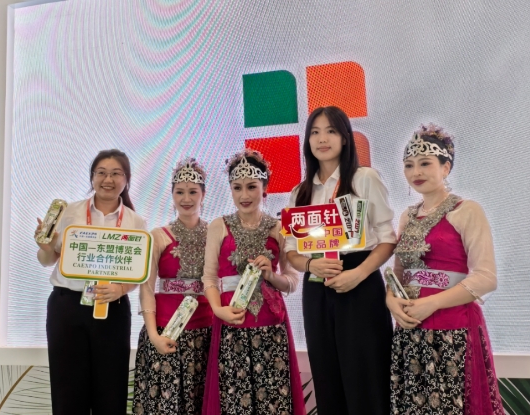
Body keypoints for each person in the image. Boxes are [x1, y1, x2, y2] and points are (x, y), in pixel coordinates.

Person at [285, 106, 397, 414]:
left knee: (366, 375)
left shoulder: (364, 178)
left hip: (360, 282)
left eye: (331, 131)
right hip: (317, 284)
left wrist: (358, 274)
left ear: (345, 138)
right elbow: (291, 251)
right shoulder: (300, 192)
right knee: (326, 375)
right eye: (315, 132)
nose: (322, 139)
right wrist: (310, 265)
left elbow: (388, 239)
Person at [387, 124, 505, 414]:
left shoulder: (467, 210)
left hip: (454, 329)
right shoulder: (407, 216)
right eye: (409, 165)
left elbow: (486, 278)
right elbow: (397, 273)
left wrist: (432, 303)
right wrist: (391, 301)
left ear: (446, 167)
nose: (416, 172)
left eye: (425, 163)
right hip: (410, 329)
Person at [35, 149, 146, 415]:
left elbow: (136, 274)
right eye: (101, 173)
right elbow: (46, 260)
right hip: (67, 306)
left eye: (116, 173)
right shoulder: (69, 212)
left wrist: (120, 289)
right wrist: (47, 246)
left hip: (112, 308)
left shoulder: (136, 221)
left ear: (126, 179)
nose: (108, 179)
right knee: (67, 389)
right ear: (92, 177)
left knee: (111, 390)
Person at [201, 150, 305, 415]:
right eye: (237, 188)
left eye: (251, 187)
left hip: (272, 326)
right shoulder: (218, 226)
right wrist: (217, 310)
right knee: (235, 401)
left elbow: (292, 281)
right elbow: (209, 277)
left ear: (265, 188)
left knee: (275, 400)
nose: (244, 195)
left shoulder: (279, 227)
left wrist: (270, 276)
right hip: (232, 321)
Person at [132, 158, 212, 415]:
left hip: (207, 333)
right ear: (172, 194)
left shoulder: (215, 233)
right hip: (166, 332)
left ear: (203, 194)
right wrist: (153, 335)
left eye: (193, 192)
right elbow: (146, 288)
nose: (186, 199)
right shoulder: (159, 235)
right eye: (179, 192)